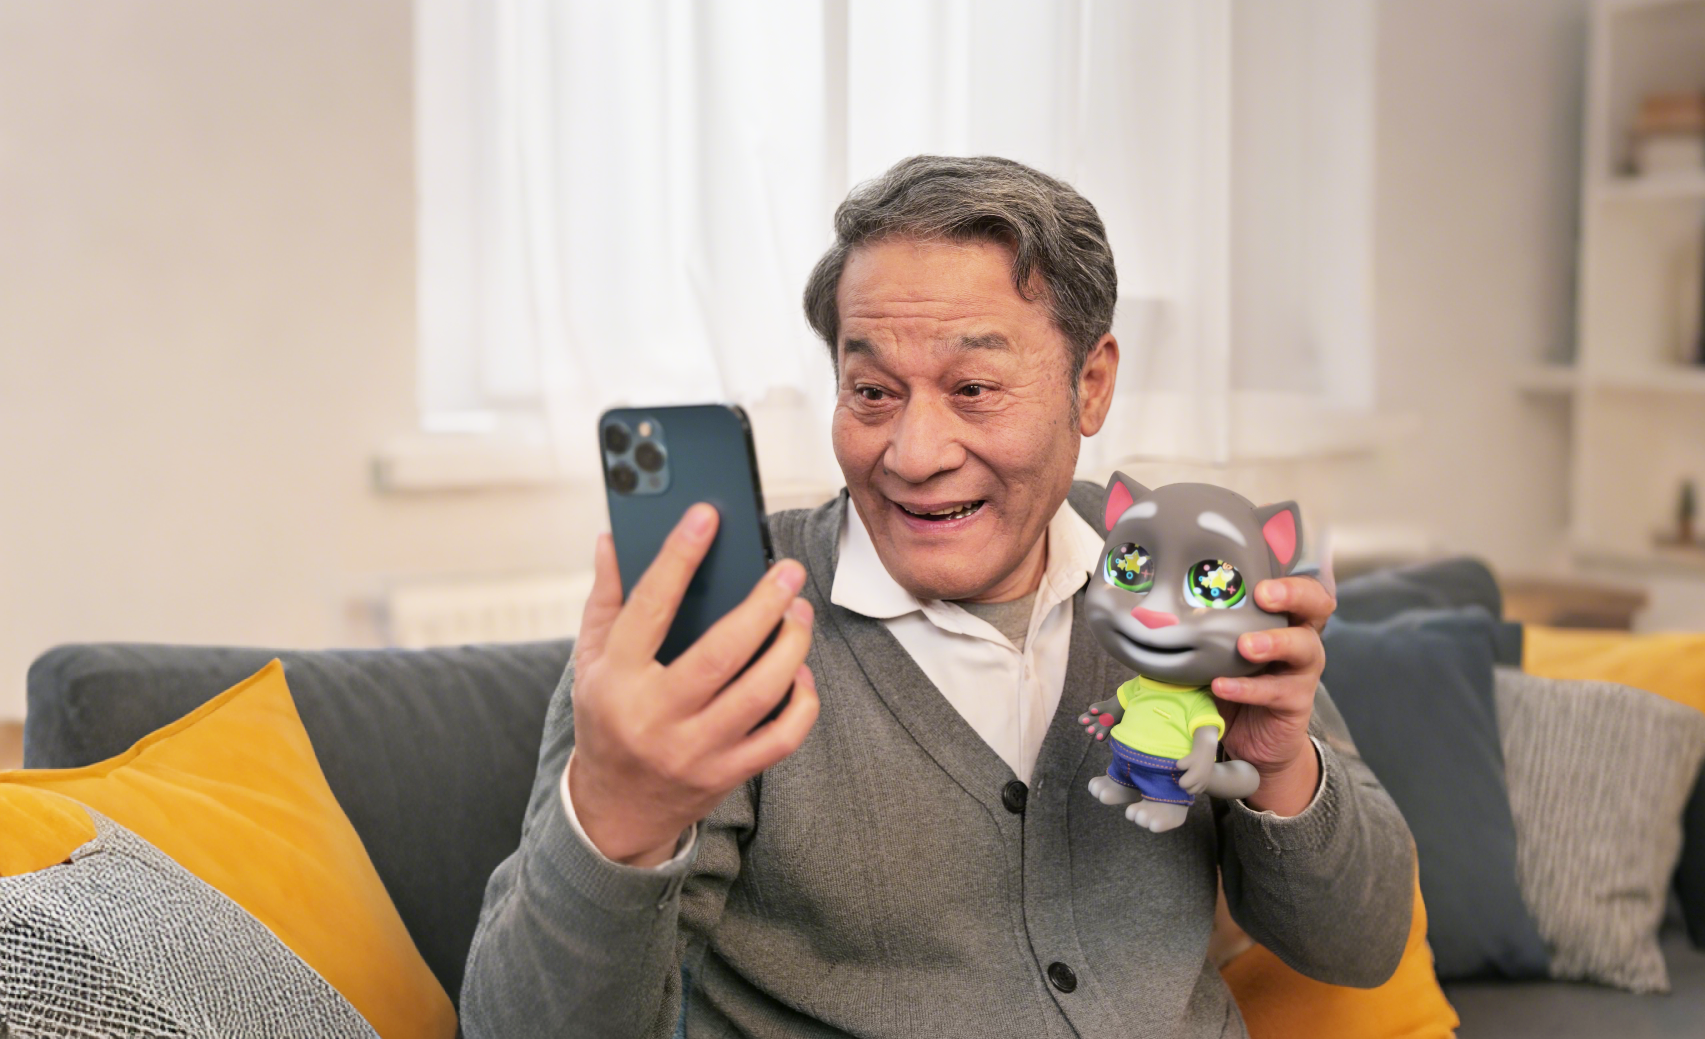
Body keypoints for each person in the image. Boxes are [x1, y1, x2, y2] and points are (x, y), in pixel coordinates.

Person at [461, 155, 1414, 1038]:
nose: (914, 456)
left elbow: (1361, 947)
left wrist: (1280, 768)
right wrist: (619, 819)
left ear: (1090, 386)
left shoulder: (1180, 558)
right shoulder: (724, 629)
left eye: (974, 388)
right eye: (872, 392)